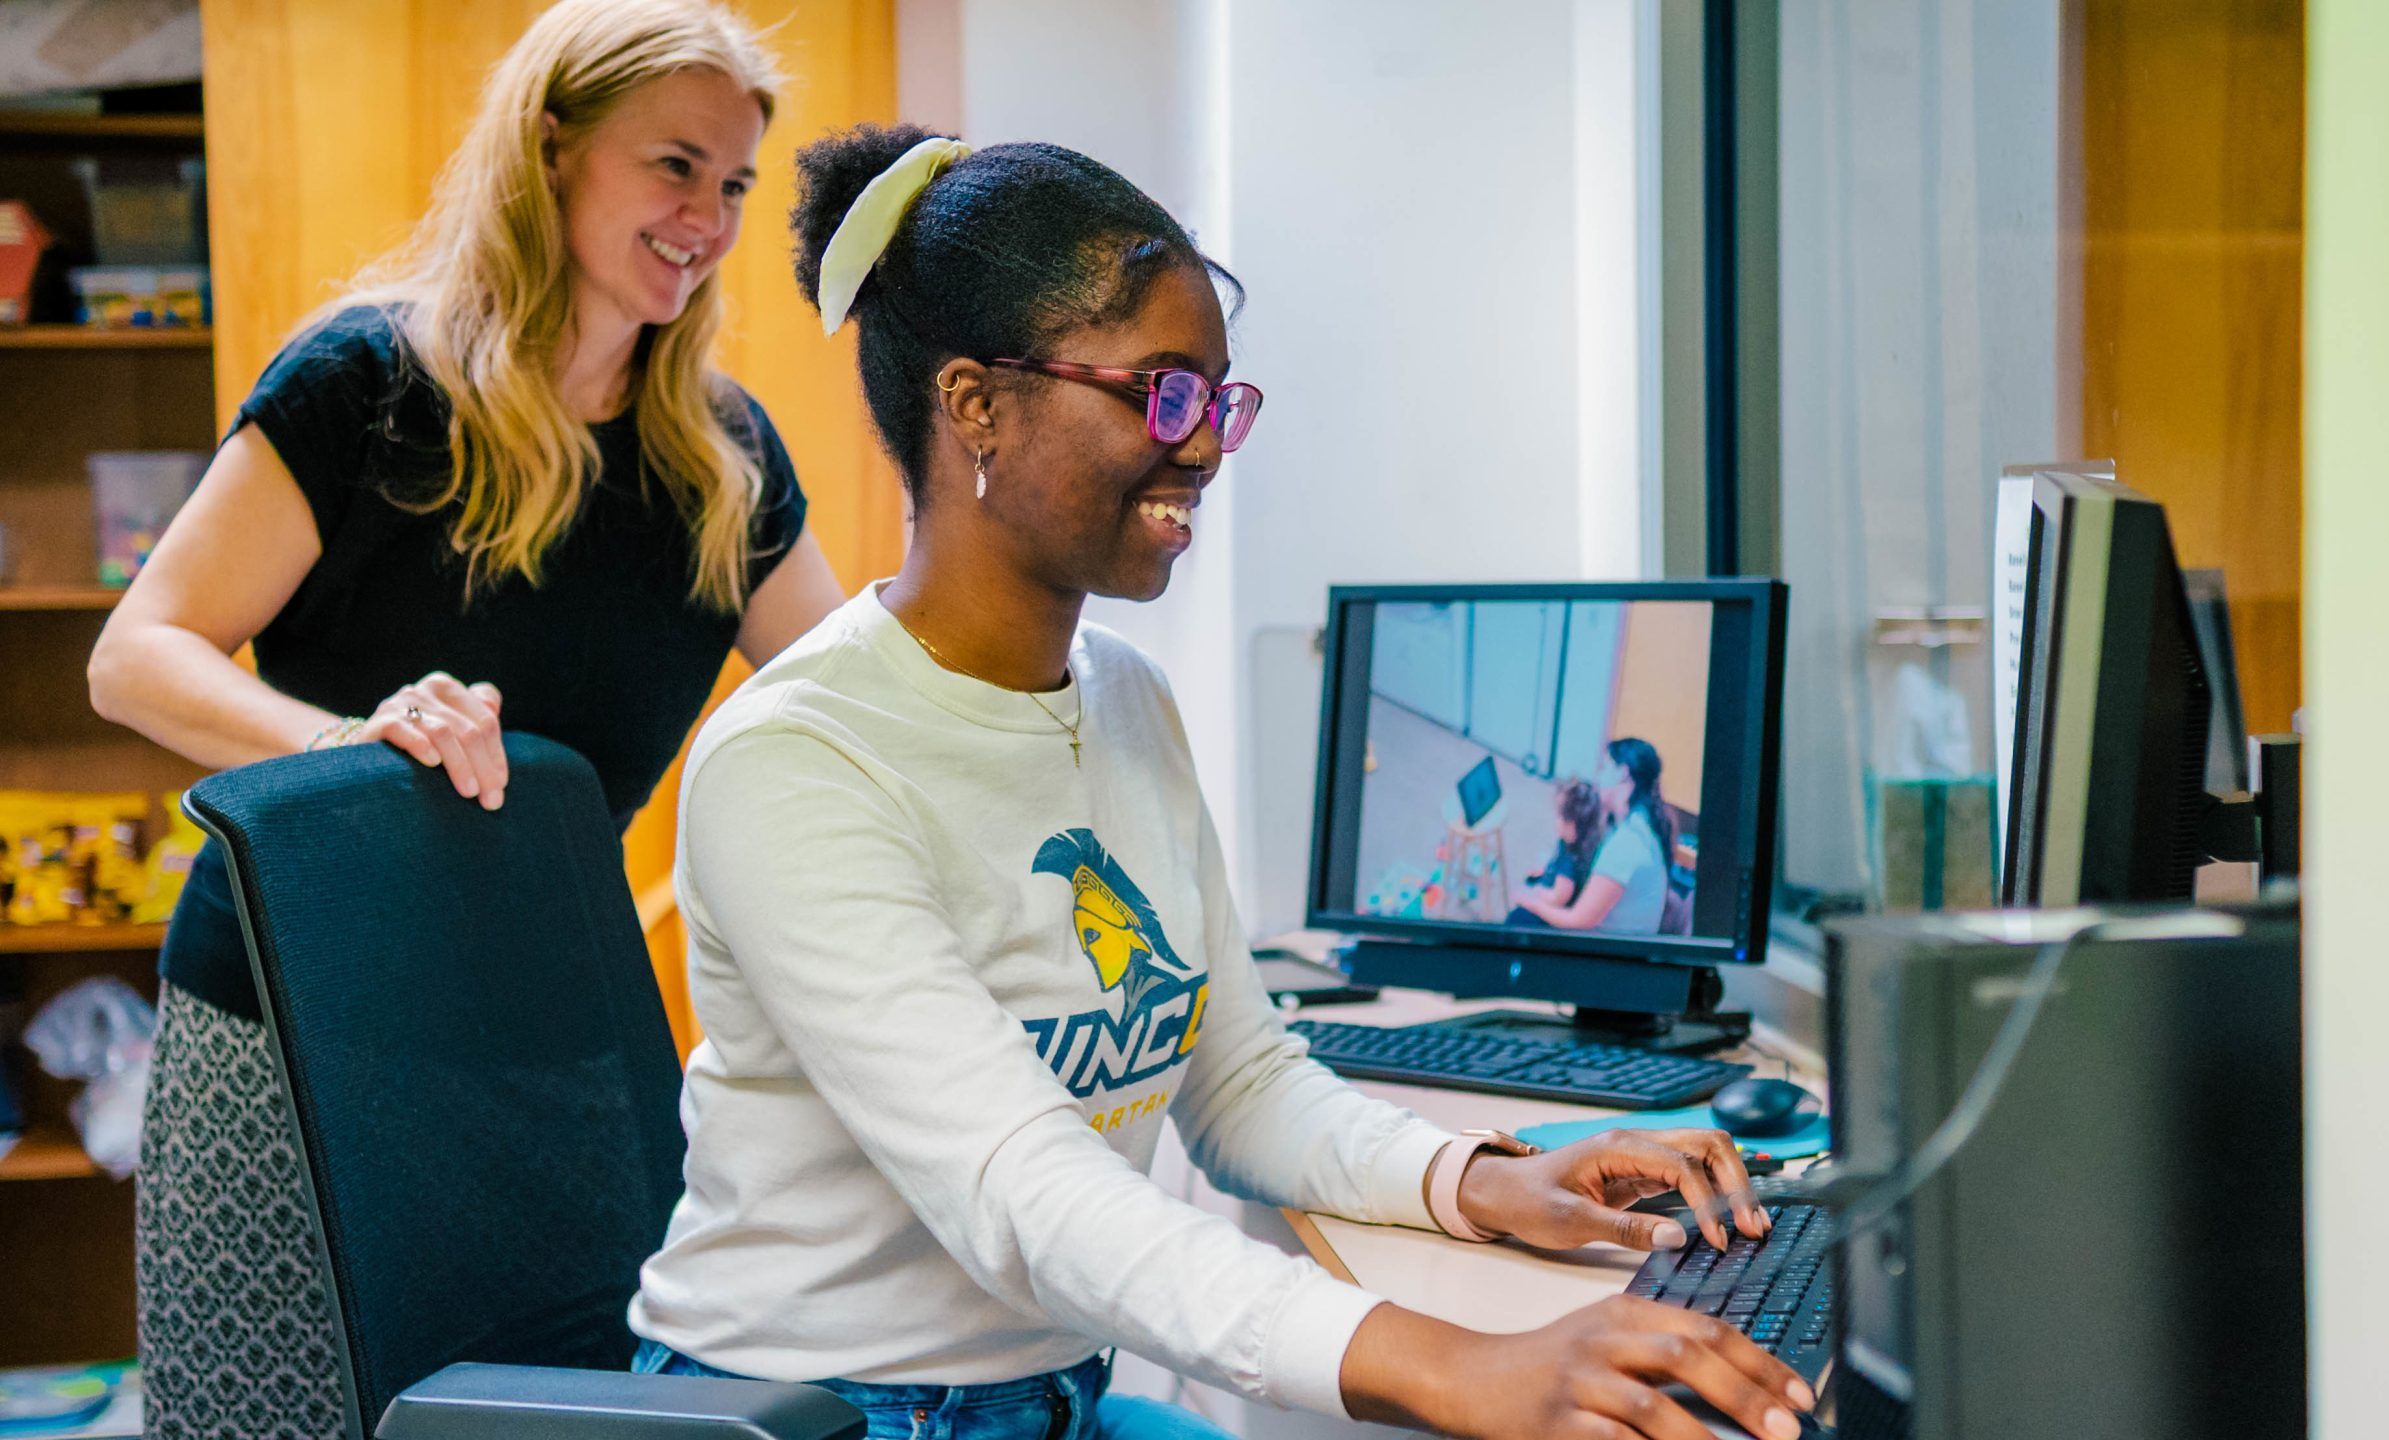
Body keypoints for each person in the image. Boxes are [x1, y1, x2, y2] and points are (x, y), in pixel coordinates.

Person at [625, 124, 1814, 1440]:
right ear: (976, 404)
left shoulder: (1124, 695)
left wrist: (1481, 1182)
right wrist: (1458, 1366)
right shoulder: (798, 761)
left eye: (1219, 402)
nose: (1202, 447)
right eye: (1162, 393)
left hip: (1048, 1401)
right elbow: (1026, 1193)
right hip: (805, 1416)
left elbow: (1239, 1083)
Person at [85, 5, 843, 1437]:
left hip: (543, 1037)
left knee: (554, 1417)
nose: (707, 218)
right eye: (675, 166)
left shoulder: (720, 463)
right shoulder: (368, 388)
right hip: (293, 1021)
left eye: (734, 185)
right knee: (280, 1418)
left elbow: (850, 711)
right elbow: (138, 655)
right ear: (551, 147)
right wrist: (345, 750)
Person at [1514, 739, 1678, 935]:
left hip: (1614, 950)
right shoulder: (1642, 820)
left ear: (1622, 773)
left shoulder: (1627, 845)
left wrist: (1530, 901)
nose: (1597, 777)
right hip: (1624, 931)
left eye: (1604, 768)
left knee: (1519, 919)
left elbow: (1578, 921)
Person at [1507, 777, 1605, 925]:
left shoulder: (1569, 861)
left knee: (1515, 919)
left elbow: (1558, 898)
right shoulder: (1579, 841)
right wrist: (1546, 871)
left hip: (1554, 907)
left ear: (1571, 826)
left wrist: (1536, 893)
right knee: (1531, 878)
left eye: (1559, 815)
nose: (1556, 819)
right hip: (1553, 882)